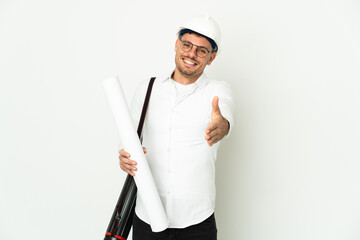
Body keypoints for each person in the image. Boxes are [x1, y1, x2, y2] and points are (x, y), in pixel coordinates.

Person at [119, 15, 234, 240]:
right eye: (187, 45)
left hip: (197, 222)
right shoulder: (147, 89)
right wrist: (124, 155)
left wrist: (223, 126)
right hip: (147, 217)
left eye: (201, 50)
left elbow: (225, 119)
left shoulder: (218, 91)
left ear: (211, 58)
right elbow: (128, 138)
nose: (191, 54)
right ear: (176, 45)